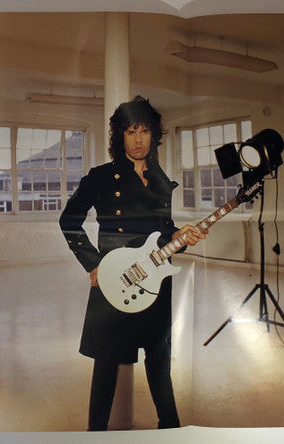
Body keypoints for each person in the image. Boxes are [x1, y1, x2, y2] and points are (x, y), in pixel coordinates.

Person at [59, 95, 207, 431]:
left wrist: (179, 236)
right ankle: (95, 434)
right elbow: (69, 220)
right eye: (131, 132)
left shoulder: (160, 179)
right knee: (106, 363)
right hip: (116, 277)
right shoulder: (101, 177)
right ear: (120, 137)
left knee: (159, 360)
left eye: (144, 131)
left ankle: (170, 430)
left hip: (156, 279)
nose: (139, 140)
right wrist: (92, 264)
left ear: (154, 134)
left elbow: (162, 231)